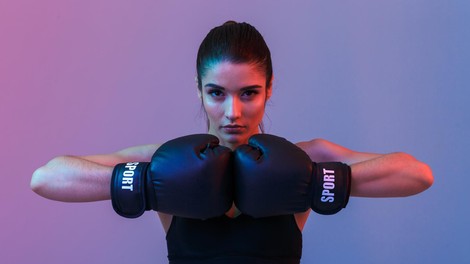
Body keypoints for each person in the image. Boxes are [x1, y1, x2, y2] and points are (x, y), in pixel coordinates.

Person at [30, 21, 434, 264]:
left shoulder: (303, 159)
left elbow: (417, 175)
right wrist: (149, 184)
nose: (232, 113)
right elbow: (45, 178)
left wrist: (313, 180)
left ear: (270, 88)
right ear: (199, 90)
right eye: (217, 93)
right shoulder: (165, 163)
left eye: (248, 93)